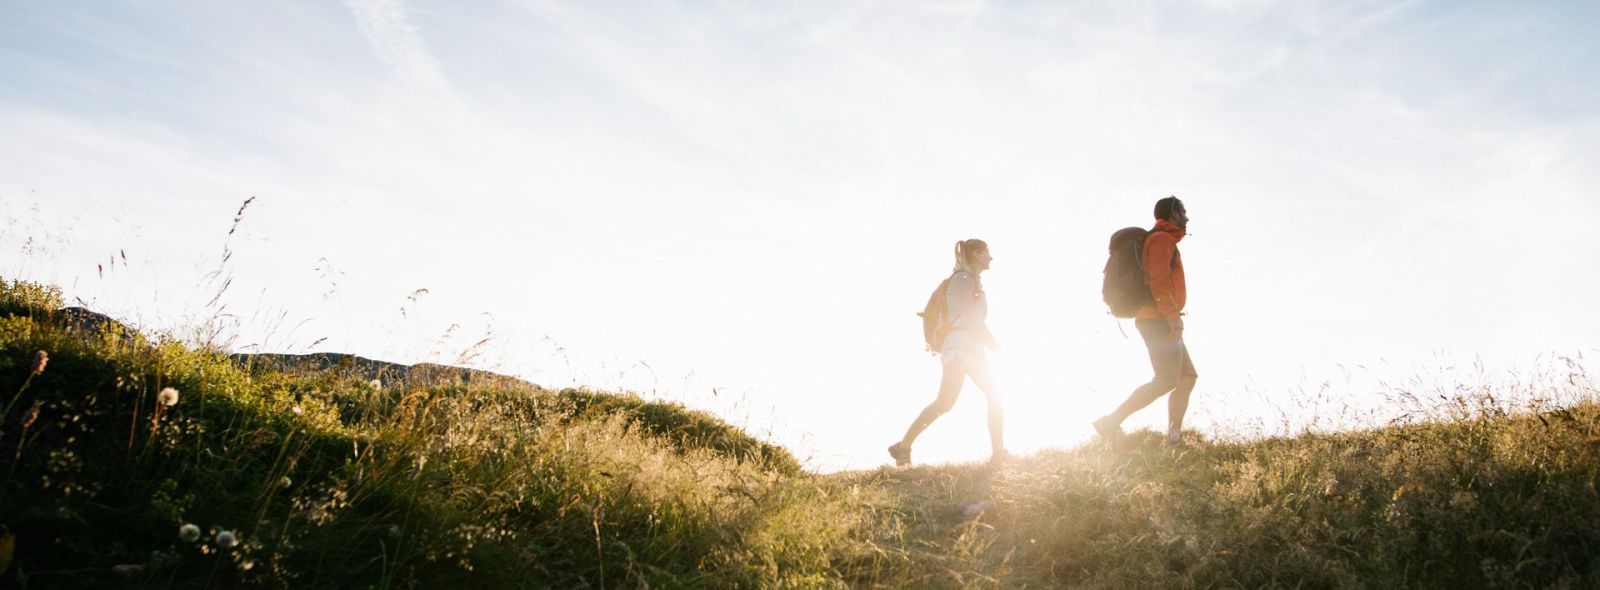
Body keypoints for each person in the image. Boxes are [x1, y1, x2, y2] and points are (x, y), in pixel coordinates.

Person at [889, 239, 1007, 466]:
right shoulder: (962, 280)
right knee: (961, 399)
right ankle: (999, 453)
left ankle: (902, 447)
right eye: (987, 253)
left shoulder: (971, 282)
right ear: (975, 255)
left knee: (948, 402)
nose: (991, 258)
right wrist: (995, 345)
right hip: (961, 346)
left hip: (968, 346)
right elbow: (971, 319)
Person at [1094, 196, 1198, 446]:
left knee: (1186, 377)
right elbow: (1158, 280)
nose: (1187, 216)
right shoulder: (1161, 239)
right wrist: (1173, 319)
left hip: (1158, 317)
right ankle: (1110, 421)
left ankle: (1174, 437)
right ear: (1173, 213)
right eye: (1183, 211)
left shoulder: (1163, 239)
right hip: (1157, 319)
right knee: (1165, 380)